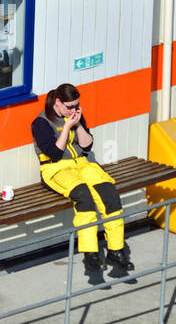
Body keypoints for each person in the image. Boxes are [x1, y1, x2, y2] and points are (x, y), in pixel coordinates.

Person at [31, 84, 133, 281]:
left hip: (83, 164)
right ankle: (90, 254)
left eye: (76, 105)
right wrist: (67, 127)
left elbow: (87, 144)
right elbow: (53, 153)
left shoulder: (76, 115)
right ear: (57, 103)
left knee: (110, 194)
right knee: (84, 197)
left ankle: (116, 250)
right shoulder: (41, 122)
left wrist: (77, 125)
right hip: (56, 168)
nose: (73, 110)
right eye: (69, 106)